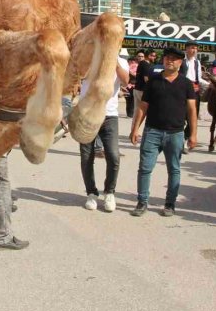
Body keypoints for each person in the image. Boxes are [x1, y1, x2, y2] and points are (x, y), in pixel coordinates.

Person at [129, 46, 197, 217]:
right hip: (152, 131)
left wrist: (193, 134)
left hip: (175, 133)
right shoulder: (153, 81)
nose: (170, 61)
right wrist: (135, 128)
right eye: (167, 57)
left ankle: (170, 204)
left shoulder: (186, 84)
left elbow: (191, 110)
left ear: (180, 62)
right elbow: (143, 107)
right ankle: (142, 201)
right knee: (145, 168)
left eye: (174, 58)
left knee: (174, 169)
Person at [80, 52, 130, 212]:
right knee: (86, 156)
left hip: (109, 115)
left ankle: (109, 192)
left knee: (113, 155)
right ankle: (91, 193)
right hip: (87, 113)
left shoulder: (121, 62)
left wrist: (113, 61)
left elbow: (126, 81)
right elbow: (80, 75)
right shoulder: (88, 58)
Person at [181, 41, 204, 129]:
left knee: (194, 113)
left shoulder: (197, 62)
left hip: (194, 89)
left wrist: (209, 84)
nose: (194, 50)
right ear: (186, 49)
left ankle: (188, 134)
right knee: (182, 112)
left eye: (196, 48)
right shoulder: (181, 60)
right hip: (183, 88)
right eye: (192, 48)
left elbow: (199, 78)